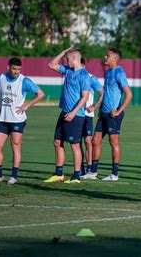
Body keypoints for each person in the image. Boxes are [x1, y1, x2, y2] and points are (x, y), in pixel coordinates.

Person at [0, 57, 44, 185]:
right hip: (3, 119)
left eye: (19, 69)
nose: (16, 71)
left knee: (15, 146)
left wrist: (27, 105)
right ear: (8, 67)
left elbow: (40, 94)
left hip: (17, 120)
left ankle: (14, 176)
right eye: (14, 69)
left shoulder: (24, 81)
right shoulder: (1, 77)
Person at [45, 47, 90, 183]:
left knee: (75, 145)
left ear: (75, 58)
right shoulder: (68, 71)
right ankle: (59, 174)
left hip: (76, 116)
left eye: (68, 58)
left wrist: (73, 112)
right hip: (64, 113)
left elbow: (85, 97)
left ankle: (77, 176)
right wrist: (64, 52)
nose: (66, 60)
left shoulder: (84, 76)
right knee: (57, 142)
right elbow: (51, 65)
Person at [91, 48, 133, 181]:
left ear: (115, 58)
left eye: (107, 56)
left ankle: (114, 174)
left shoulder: (119, 73)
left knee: (113, 142)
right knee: (95, 140)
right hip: (103, 113)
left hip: (113, 115)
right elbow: (106, 93)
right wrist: (99, 107)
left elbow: (129, 94)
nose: (105, 57)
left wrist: (118, 111)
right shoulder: (108, 72)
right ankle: (93, 172)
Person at [79, 57, 103, 179]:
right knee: (76, 143)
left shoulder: (91, 78)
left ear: (83, 65)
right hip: (75, 115)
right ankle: (80, 169)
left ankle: (89, 169)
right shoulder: (72, 76)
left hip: (87, 115)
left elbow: (102, 93)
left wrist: (94, 105)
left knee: (88, 141)